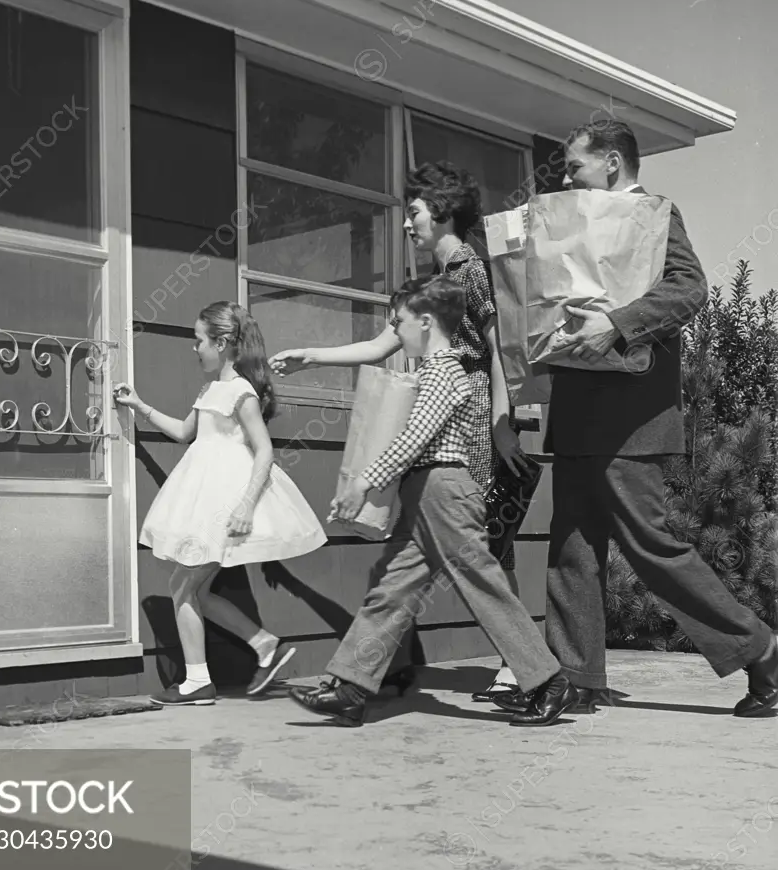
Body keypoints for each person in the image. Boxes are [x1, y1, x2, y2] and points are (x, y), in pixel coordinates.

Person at [492, 119, 777, 720]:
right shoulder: (563, 221)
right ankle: (575, 679)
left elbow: (689, 290)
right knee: (571, 547)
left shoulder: (654, 216)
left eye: (575, 167)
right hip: (575, 407)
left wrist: (616, 324)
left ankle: (763, 650)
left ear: (613, 164)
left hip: (631, 416)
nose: (566, 177)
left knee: (650, 544)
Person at [270, 161, 526, 702]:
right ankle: (368, 675)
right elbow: (382, 346)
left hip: (467, 427)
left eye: (413, 213)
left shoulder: (472, 273)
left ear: (442, 212)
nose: (407, 224)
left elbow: (500, 348)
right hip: (436, 433)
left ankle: (522, 668)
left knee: (474, 553)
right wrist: (311, 355)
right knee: (428, 561)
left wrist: (503, 426)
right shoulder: (432, 285)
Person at [287, 275, 577, 728]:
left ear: (425, 322)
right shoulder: (430, 370)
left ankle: (548, 682)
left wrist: (363, 482)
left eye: (398, 321)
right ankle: (350, 686)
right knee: (393, 589)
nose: (394, 331)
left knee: (483, 586)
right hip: (424, 494)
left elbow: (413, 437)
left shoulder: (444, 370)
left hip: (445, 491)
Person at [114, 301, 327, 706]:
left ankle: (202, 680)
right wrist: (140, 406)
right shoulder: (210, 390)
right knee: (193, 589)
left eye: (200, 341)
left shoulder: (242, 391)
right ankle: (263, 646)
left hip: (225, 499)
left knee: (182, 585)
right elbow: (183, 433)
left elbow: (264, 451)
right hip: (202, 493)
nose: (195, 349)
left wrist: (246, 505)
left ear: (223, 343)